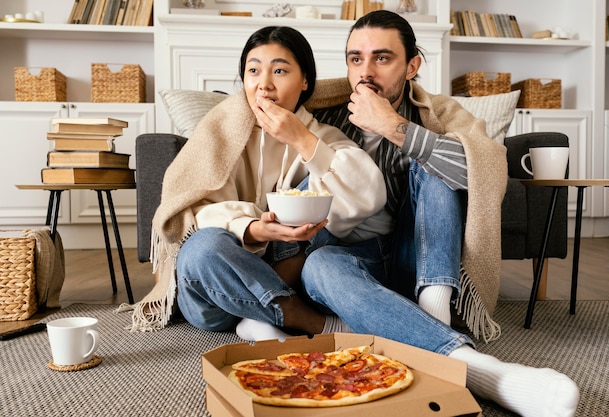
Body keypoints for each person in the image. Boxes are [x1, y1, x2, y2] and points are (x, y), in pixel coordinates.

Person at [299, 10, 579, 417]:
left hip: (424, 260)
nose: (365, 72)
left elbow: (484, 174)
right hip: (355, 263)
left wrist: (397, 128)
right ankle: (481, 369)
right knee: (319, 265)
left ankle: (433, 309)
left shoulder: (439, 113)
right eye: (355, 59)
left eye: (382, 58)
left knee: (441, 158)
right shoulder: (324, 115)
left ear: (412, 65)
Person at [126, 26, 386, 339]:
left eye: (279, 70)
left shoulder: (321, 138)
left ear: (305, 81)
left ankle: (258, 318)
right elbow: (188, 214)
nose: (264, 84)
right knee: (201, 248)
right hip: (216, 294)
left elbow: (367, 194)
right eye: (253, 70)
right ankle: (311, 323)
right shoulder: (219, 134)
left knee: (329, 193)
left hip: (289, 274)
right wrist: (251, 228)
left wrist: (302, 141)